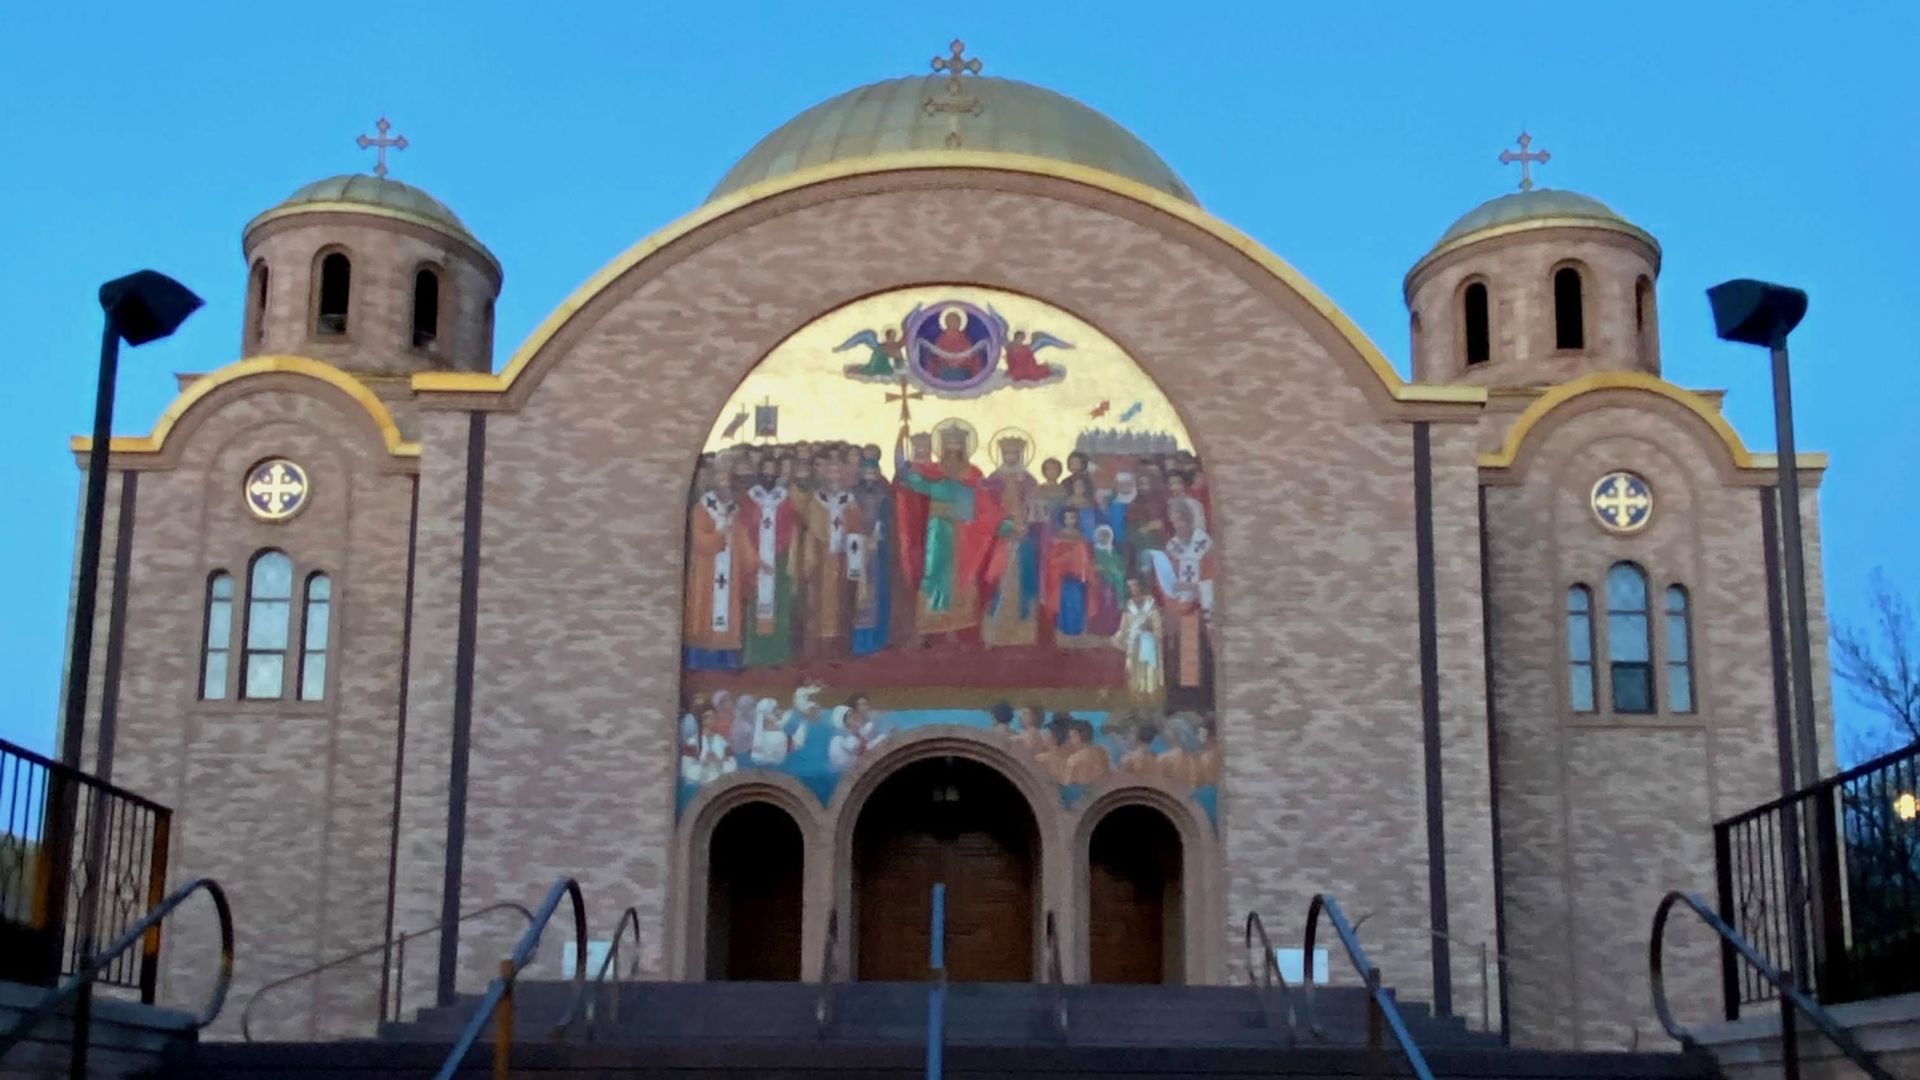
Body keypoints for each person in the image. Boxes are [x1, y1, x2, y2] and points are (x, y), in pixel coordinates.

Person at [895, 423, 1004, 640]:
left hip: (965, 534)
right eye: (949, 445)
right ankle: (928, 626)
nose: (953, 450)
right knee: (935, 575)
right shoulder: (934, 473)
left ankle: (953, 627)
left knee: (960, 576)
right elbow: (909, 477)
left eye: (958, 445)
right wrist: (900, 443)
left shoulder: (973, 474)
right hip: (938, 531)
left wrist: (1002, 523)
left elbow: (984, 506)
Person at [684, 463, 752, 671]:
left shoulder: (734, 509)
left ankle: (728, 662)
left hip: (729, 573)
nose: (725, 483)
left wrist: (754, 561)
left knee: (729, 614)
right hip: (706, 573)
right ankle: (701, 662)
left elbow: (742, 539)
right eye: (721, 478)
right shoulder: (701, 508)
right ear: (714, 482)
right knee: (704, 613)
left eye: (728, 479)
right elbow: (700, 541)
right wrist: (721, 534)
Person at [982, 436, 1040, 647]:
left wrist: (1027, 525)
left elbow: (1036, 512)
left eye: (1015, 453)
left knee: (1024, 581)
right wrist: (1006, 526)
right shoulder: (993, 480)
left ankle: (1023, 634)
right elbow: (987, 511)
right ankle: (996, 634)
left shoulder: (1030, 481)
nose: (1011, 457)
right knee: (999, 581)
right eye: (1008, 453)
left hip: (1024, 538)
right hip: (1001, 539)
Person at [743, 457, 800, 666]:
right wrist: (755, 557)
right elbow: (744, 528)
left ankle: (777, 654)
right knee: (754, 606)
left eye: (772, 470)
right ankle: (755, 655)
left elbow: (791, 527)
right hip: (754, 560)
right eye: (765, 469)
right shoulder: (750, 499)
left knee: (779, 606)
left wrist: (778, 550)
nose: (768, 474)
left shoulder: (784, 499)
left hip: (779, 559)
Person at [1113, 576, 1166, 709]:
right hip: (1133, 644)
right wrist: (1116, 639)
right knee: (1133, 674)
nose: (1133, 589)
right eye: (1130, 586)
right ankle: (1136, 702)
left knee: (1149, 672)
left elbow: (1158, 626)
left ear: (1141, 586)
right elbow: (1124, 627)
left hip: (1148, 644)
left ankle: (1151, 702)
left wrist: (1150, 628)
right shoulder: (1129, 605)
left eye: (1135, 585)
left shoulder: (1150, 603)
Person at [1061, 717, 1112, 784]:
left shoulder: (1074, 759)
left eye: (1073, 736)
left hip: (1086, 789)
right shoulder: (1101, 751)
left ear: (1082, 736)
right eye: (1070, 736)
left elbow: (1066, 782)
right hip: (1103, 785)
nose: (1070, 740)